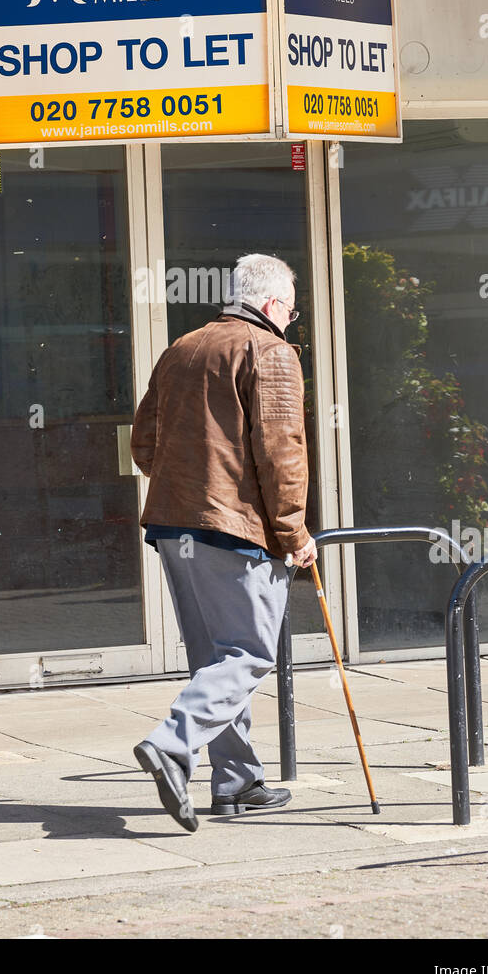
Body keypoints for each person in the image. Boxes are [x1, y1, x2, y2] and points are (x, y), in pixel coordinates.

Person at [130, 252, 317, 832]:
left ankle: (237, 783)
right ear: (270, 305)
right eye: (290, 307)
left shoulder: (183, 347)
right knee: (249, 654)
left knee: (215, 659)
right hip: (236, 531)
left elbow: (144, 444)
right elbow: (281, 452)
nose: (292, 319)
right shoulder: (270, 351)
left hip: (174, 527)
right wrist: (293, 533)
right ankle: (172, 743)